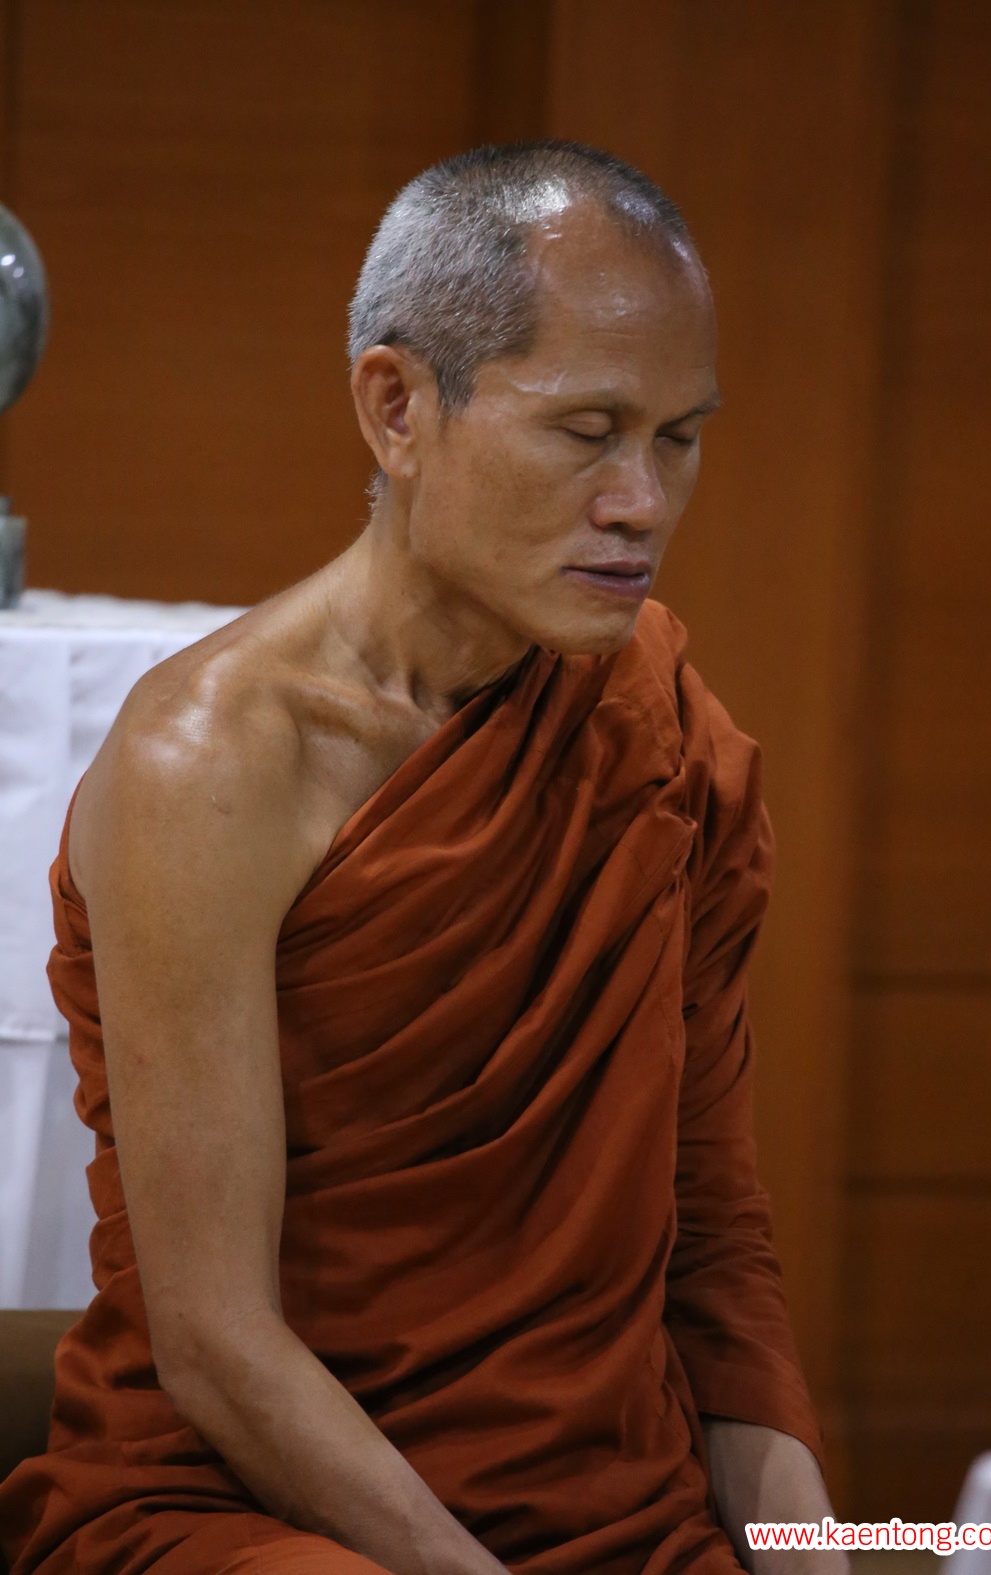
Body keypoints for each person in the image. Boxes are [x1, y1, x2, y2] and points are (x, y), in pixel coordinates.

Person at [0, 141, 845, 1575]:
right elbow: (215, 1346)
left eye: (679, 437)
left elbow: (713, 1252)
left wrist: (812, 1555)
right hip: (250, 1509)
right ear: (397, 407)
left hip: (615, 1515)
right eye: (587, 432)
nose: (642, 501)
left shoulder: (656, 729)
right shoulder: (211, 765)